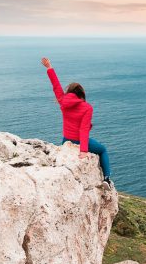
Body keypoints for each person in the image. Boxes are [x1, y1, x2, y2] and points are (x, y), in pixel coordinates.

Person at [41, 57, 113, 186]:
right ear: (81, 94)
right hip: (79, 141)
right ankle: (107, 178)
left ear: (69, 92)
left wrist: (49, 68)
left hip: (66, 140)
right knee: (102, 150)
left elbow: (56, 86)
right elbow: (83, 129)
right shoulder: (87, 107)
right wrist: (84, 150)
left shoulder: (63, 102)